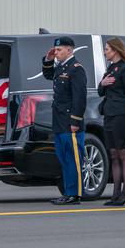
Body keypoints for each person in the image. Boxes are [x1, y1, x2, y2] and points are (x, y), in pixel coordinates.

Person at [42, 36, 87, 205]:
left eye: (59, 50)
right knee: (64, 159)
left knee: (73, 159)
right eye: (56, 50)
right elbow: (47, 74)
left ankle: (75, 194)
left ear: (70, 50)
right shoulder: (61, 67)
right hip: (60, 122)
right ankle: (68, 192)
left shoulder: (76, 69)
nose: (56, 52)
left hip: (70, 122)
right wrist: (48, 59)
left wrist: (75, 121)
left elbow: (79, 98)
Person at [98, 37, 125, 206]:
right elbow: (101, 92)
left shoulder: (124, 69)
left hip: (121, 115)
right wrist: (103, 83)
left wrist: (122, 109)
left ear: (115, 50)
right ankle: (115, 193)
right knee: (113, 154)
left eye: (107, 49)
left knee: (123, 153)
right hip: (109, 115)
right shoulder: (110, 69)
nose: (105, 52)